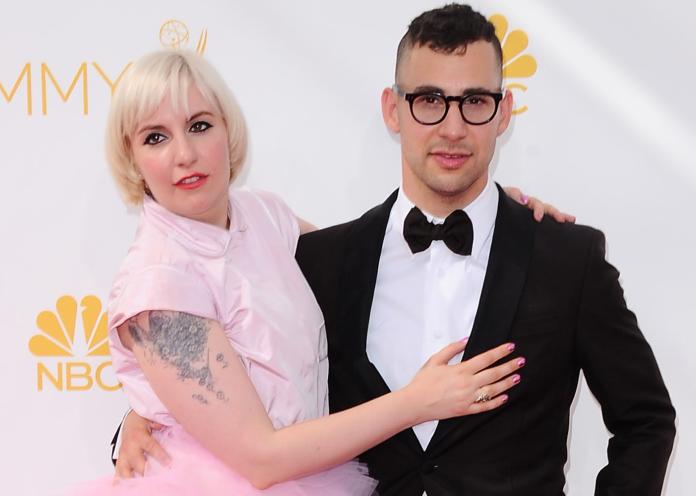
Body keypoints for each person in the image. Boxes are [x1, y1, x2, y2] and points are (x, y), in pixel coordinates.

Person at [118, 4, 676, 495]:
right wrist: (144, 419)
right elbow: (213, 378)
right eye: (430, 99)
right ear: (393, 109)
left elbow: (646, 420)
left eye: (475, 101)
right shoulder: (328, 260)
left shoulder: (566, 257)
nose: (453, 128)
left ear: (503, 114)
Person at [73, 48, 532, 495]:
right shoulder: (157, 284)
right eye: (156, 137)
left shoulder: (260, 212)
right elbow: (261, 459)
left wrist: (486, 209)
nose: (185, 154)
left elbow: (367, 255)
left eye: (199, 125)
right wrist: (416, 402)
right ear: (131, 158)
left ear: (227, 130)